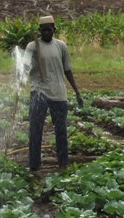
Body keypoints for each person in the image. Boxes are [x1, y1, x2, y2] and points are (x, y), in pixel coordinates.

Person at [24, 15, 84, 171]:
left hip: (58, 93)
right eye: (43, 30)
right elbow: (24, 66)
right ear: (39, 31)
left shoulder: (61, 46)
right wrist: (22, 72)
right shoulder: (32, 46)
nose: (46, 33)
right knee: (35, 130)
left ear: (54, 30)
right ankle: (34, 165)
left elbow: (68, 70)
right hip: (39, 92)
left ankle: (63, 164)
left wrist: (77, 91)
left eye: (49, 30)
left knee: (61, 131)